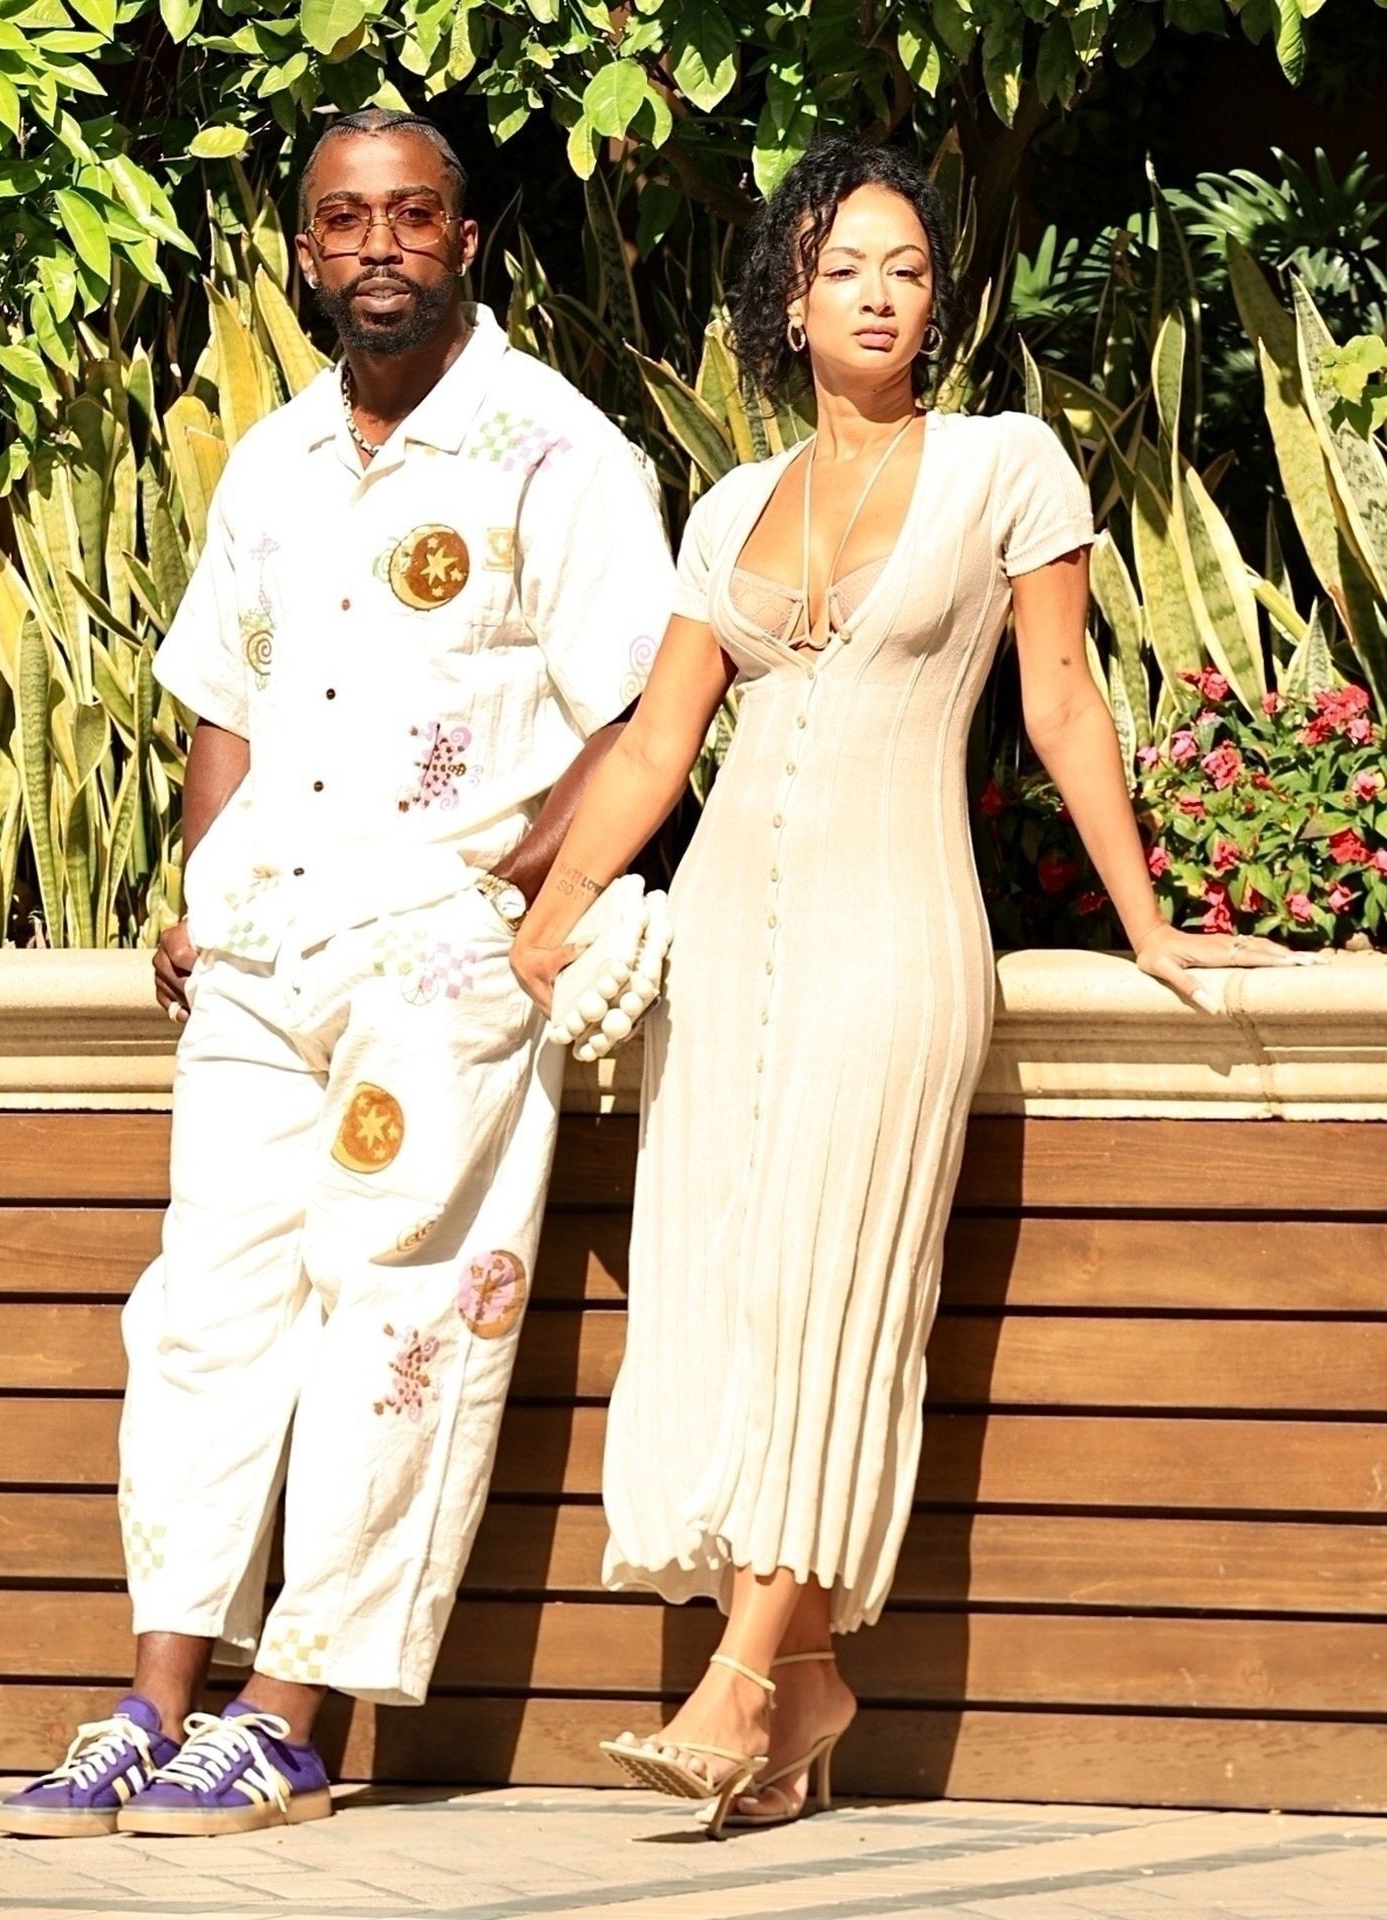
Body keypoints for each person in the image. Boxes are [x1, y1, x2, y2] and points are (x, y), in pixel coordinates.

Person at [510, 136, 1305, 1837]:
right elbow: (656, 748)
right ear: (789, 301)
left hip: (895, 936)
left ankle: (736, 1682)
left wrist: (1149, 923)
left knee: (838, 1293)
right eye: (844, 269)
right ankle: (803, 1701)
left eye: (909, 270)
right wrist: (550, 916)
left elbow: (1062, 700)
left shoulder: (1006, 466)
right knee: (732, 1291)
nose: (880, 296)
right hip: (726, 945)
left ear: (937, 304)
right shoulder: (729, 506)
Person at [0, 107, 674, 1840]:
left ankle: (289, 1714)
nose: (381, 245)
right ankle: (156, 1701)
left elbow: (638, 722)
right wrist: (205, 883)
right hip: (263, 955)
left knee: (395, 1311)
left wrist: (509, 909)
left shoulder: (557, 452)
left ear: (466, 239)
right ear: (305, 250)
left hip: (438, 962)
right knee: (204, 1314)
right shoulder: (277, 458)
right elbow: (224, 698)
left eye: (413, 215)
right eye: (346, 219)